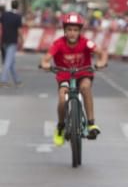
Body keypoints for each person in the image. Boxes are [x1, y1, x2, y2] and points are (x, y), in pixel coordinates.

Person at [40, 12, 109, 144]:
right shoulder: (58, 43)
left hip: (83, 73)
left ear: (80, 31)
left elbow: (102, 53)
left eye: (75, 30)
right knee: (62, 98)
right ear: (65, 30)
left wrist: (101, 62)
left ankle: (91, 124)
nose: (72, 33)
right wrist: (46, 65)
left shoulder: (86, 43)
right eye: (69, 29)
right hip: (64, 75)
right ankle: (60, 127)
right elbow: (46, 59)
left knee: (85, 87)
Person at [0, 0, 23, 87]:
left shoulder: (5, 15)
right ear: (18, 6)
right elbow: (19, 30)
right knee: (8, 62)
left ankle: (17, 80)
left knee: (11, 62)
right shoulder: (18, 16)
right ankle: (3, 80)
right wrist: (22, 39)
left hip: (4, 40)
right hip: (13, 41)